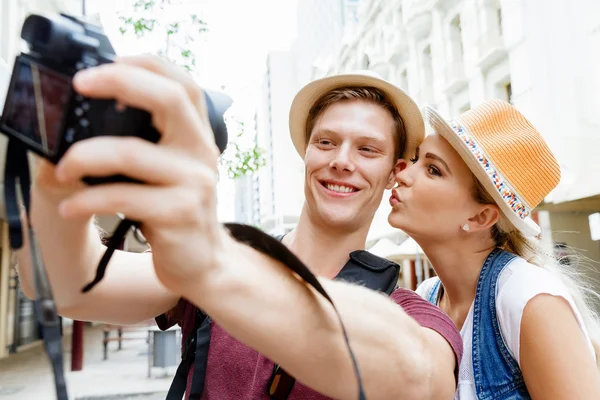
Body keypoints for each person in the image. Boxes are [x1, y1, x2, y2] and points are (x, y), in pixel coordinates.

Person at [16, 56, 462, 399]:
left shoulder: (416, 317)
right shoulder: (216, 259)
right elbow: (60, 284)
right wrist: (56, 167)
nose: (341, 160)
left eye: (367, 150)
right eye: (326, 142)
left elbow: (419, 376)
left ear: (394, 172)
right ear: (306, 154)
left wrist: (209, 264)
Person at [386, 99, 600, 399]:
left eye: (433, 169)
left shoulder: (528, 299)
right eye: (416, 159)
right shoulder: (425, 297)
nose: (403, 174)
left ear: (479, 217)